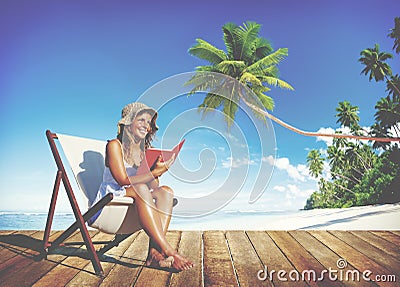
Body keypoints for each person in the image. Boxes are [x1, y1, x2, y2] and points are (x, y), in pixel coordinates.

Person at [93, 102, 193, 271]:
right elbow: (122, 180)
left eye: (149, 123)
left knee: (166, 192)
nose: (146, 126)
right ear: (128, 122)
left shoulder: (143, 152)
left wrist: (158, 170)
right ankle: (168, 250)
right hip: (109, 204)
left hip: (133, 204)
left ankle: (154, 254)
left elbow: (153, 186)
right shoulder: (114, 145)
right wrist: (153, 172)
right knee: (141, 189)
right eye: (141, 120)